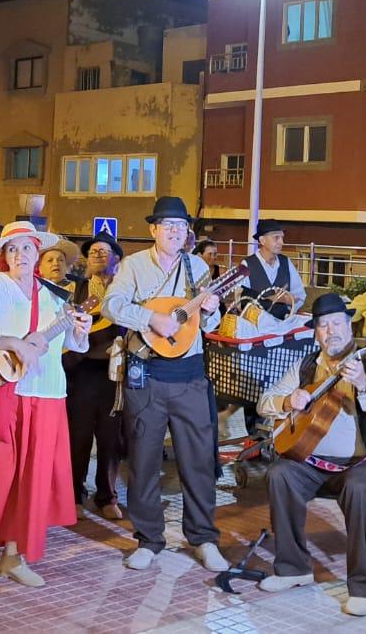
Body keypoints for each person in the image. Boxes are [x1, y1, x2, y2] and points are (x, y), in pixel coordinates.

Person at [0, 222, 92, 597]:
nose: (19, 255)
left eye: (26, 248)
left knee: (31, 480)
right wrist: (11, 342)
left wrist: (81, 329)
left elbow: (72, 344)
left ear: (37, 252)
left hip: (45, 394)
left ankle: (13, 555)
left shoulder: (54, 296)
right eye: (11, 249)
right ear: (3, 256)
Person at [256, 292, 366, 618]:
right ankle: (293, 568)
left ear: (350, 325)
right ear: (316, 332)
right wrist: (287, 402)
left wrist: (364, 386)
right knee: (280, 474)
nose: (330, 331)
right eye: (323, 325)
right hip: (310, 461)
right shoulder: (307, 365)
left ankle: (362, 587)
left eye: (337, 323)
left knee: (361, 488)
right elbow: (264, 402)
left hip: (358, 463)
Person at [102, 197, 226, 573]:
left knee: (198, 460)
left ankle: (203, 538)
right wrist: (150, 318)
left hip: (190, 376)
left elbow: (207, 324)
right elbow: (111, 305)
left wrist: (211, 310)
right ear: (153, 229)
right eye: (167, 225)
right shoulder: (133, 265)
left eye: (181, 226)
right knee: (143, 459)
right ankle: (149, 539)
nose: (175, 231)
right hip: (147, 375)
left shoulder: (197, 266)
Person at [66, 231, 126, 520]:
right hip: (83, 370)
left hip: (114, 372)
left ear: (117, 259)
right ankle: (74, 493)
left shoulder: (124, 289)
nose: (98, 256)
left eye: (105, 252)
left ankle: (107, 495)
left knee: (110, 437)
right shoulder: (76, 290)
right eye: (93, 252)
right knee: (78, 435)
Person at [243, 220, 306, 321]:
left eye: (282, 238)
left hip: (284, 323)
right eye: (276, 238)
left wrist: (288, 307)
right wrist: (273, 299)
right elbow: (241, 301)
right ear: (262, 240)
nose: (281, 242)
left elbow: (300, 295)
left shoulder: (286, 262)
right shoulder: (247, 264)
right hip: (256, 325)